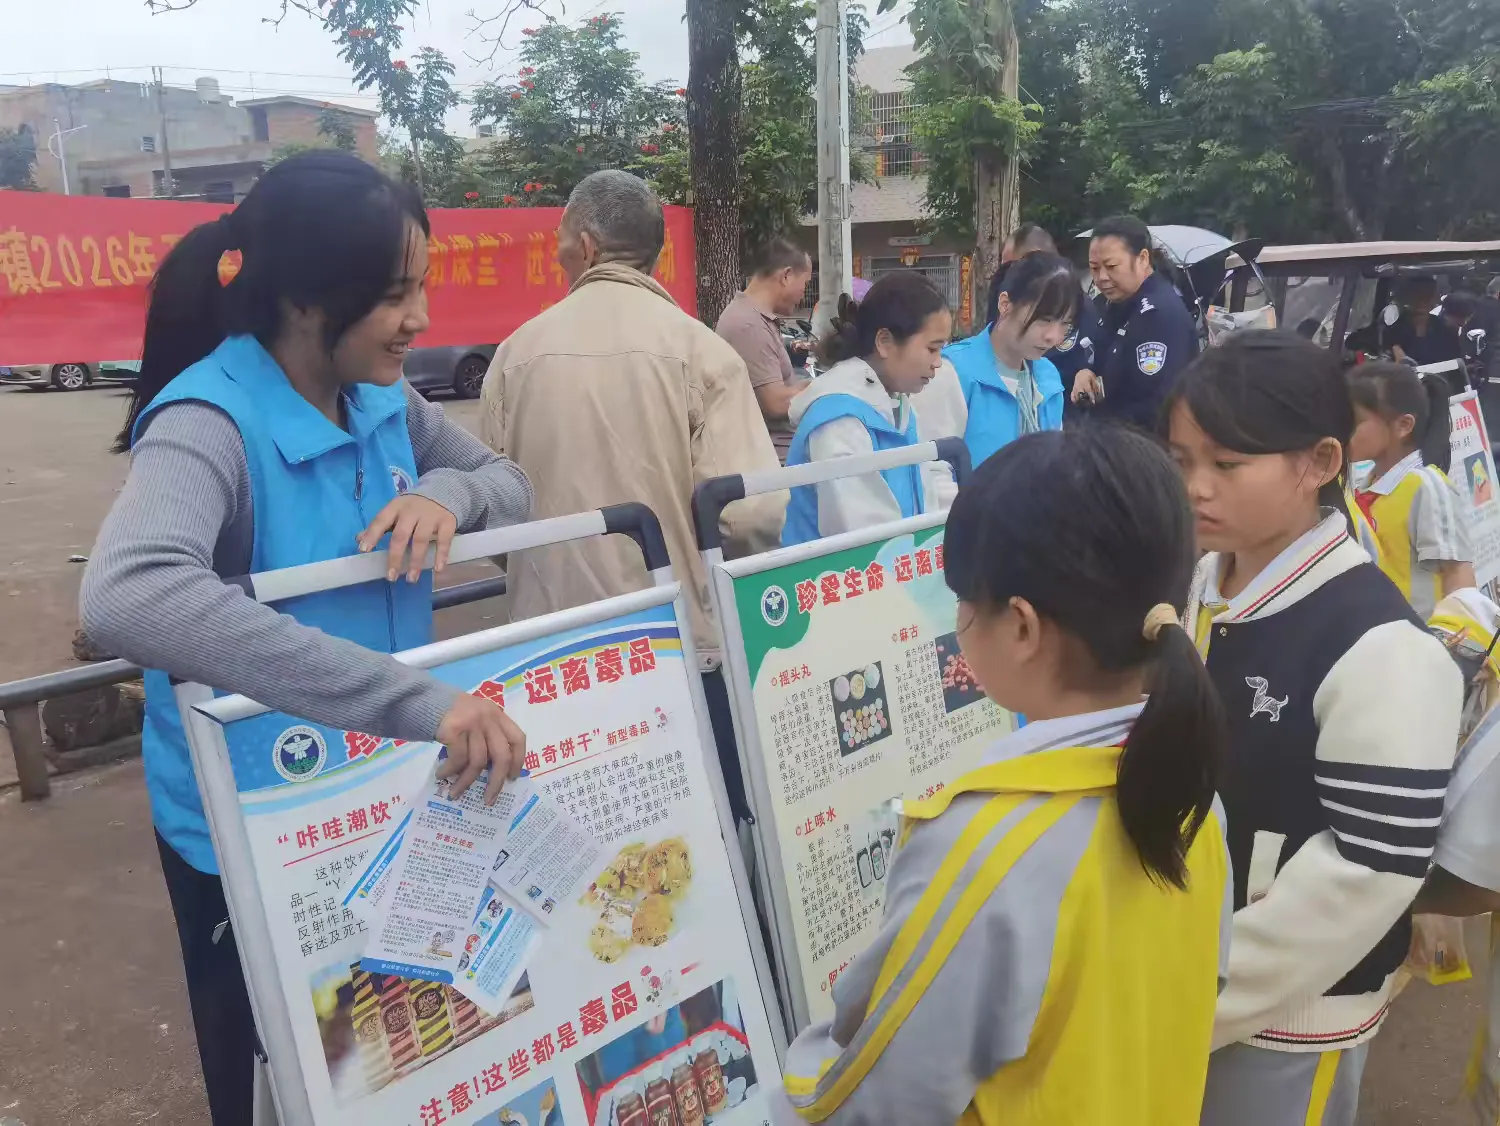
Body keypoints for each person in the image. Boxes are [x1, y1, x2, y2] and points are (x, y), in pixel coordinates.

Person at [78, 151, 532, 1126]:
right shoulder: (210, 418)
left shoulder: (387, 400)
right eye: (394, 295)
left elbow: (511, 483)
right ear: (303, 299)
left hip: (384, 790)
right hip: (256, 826)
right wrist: (416, 702)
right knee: (278, 1074)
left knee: (388, 1056)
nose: (419, 319)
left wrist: (447, 491)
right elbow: (126, 591)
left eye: (422, 288)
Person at [776, 425, 1232, 1125]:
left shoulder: (985, 847)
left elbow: (877, 1101)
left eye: (964, 601)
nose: (958, 620)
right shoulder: (1188, 782)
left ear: (1022, 626)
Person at [1166, 331, 1462, 1126]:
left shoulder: (1383, 647)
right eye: (1182, 459)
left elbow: (1371, 868)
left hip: (1285, 1022)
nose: (1195, 487)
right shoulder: (1198, 585)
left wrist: (1191, 993)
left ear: (1321, 462)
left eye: (1227, 464)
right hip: (1169, 977)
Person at [480, 169, 785, 823]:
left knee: (583, 846)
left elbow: (497, 517)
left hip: (549, 659)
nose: (558, 255)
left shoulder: (513, 356)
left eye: (560, 241)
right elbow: (753, 514)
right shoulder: (702, 352)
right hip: (677, 653)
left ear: (587, 246)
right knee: (700, 839)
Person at [781, 272, 951, 545]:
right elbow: (865, 538)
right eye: (932, 349)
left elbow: (928, 492)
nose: (938, 362)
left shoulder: (899, 406)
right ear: (884, 342)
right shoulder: (839, 421)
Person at [913, 252, 1079, 478]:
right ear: (1005, 304)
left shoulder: (1048, 377)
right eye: (1044, 320)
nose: (1053, 336)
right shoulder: (951, 371)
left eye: (1065, 325)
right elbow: (931, 471)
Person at [1348, 362, 1476, 620]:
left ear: (1403, 425)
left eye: (1354, 422)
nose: (1341, 432)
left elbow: (1457, 577)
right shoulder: (1363, 488)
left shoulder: (1427, 487)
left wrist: (1452, 640)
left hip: (1423, 637)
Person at [1079, 215, 1199, 427]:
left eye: (1111, 266)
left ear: (1142, 259)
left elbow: (1157, 404)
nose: (1102, 277)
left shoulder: (1158, 314)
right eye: (1095, 268)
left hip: (1136, 440)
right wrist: (1087, 372)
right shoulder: (1117, 303)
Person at [716, 236, 815, 464]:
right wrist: (826, 387)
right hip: (774, 463)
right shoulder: (748, 325)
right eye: (805, 283)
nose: (804, 293)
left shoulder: (755, 318)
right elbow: (775, 403)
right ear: (786, 276)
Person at [985, 223, 1100, 418]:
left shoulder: (1080, 306)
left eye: (1064, 323)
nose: (1052, 337)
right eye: (1005, 268)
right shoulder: (960, 372)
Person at [1388, 276, 1461, 368]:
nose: (1422, 301)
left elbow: (1454, 363)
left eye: (1428, 296)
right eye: (1418, 295)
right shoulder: (1393, 327)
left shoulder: (1447, 328)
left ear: (1435, 298)